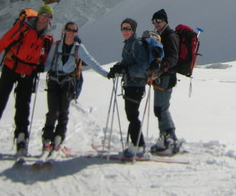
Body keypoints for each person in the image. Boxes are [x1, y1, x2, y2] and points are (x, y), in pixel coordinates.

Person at [0, 5, 55, 156]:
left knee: (23, 107)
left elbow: (44, 55)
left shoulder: (48, 36)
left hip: (28, 72)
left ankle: (21, 140)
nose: (45, 18)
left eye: (49, 17)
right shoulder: (23, 27)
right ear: (38, 15)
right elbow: (4, 41)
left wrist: (39, 66)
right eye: (43, 14)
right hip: (11, 67)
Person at [41, 20, 108, 152]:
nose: (71, 33)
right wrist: (37, 69)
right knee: (53, 112)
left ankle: (58, 137)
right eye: (69, 30)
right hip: (54, 81)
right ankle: (47, 138)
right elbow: (48, 63)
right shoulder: (56, 45)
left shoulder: (78, 48)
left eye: (74, 31)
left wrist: (107, 74)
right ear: (64, 31)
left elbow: (91, 61)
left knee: (63, 113)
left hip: (67, 83)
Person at [107, 18, 162, 154]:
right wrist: (120, 66)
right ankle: (136, 143)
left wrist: (124, 70)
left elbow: (142, 66)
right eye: (123, 28)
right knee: (132, 115)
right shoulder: (129, 43)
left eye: (128, 28)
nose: (125, 31)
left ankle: (138, 145)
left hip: (136, 85)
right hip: (131, 84)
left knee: (132, 115)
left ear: (133, 30)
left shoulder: (136, 44)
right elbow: (130, 61)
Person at [148, 8, 181, 154]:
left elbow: (173, 58)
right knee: (160, 108)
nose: (156, 24)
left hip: (166, 78)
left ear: (165, 21)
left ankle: (169, 140)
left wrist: (161, 68)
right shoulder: (160, 35)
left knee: (161, 108)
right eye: (154, 21)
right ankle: (168, 138)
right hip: (160, 78)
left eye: (158, 21)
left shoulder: (170, 35)